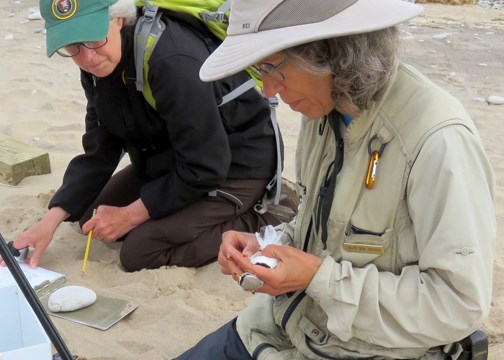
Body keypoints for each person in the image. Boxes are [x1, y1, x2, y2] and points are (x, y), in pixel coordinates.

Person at [175, 0, 496, 359]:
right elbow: (321, 223)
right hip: (281, 328)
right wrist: (269, 244)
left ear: (331, 52)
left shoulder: (437, 142)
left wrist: (317, 278)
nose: (267, 90)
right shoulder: (325, 109)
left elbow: (458, 305)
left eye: (271, 67)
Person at [2, 0, 297, 272]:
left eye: (94, 38)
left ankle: (268, 214)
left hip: (235, 166)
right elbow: (100, 150)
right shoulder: (96, 66)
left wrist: (131, 214)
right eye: (72, 47)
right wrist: (49, 222)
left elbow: (206, 165)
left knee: (140, 252)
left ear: (118, 18)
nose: (88, 57)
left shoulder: (172, 59)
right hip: (175, 158)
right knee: (88, 220)